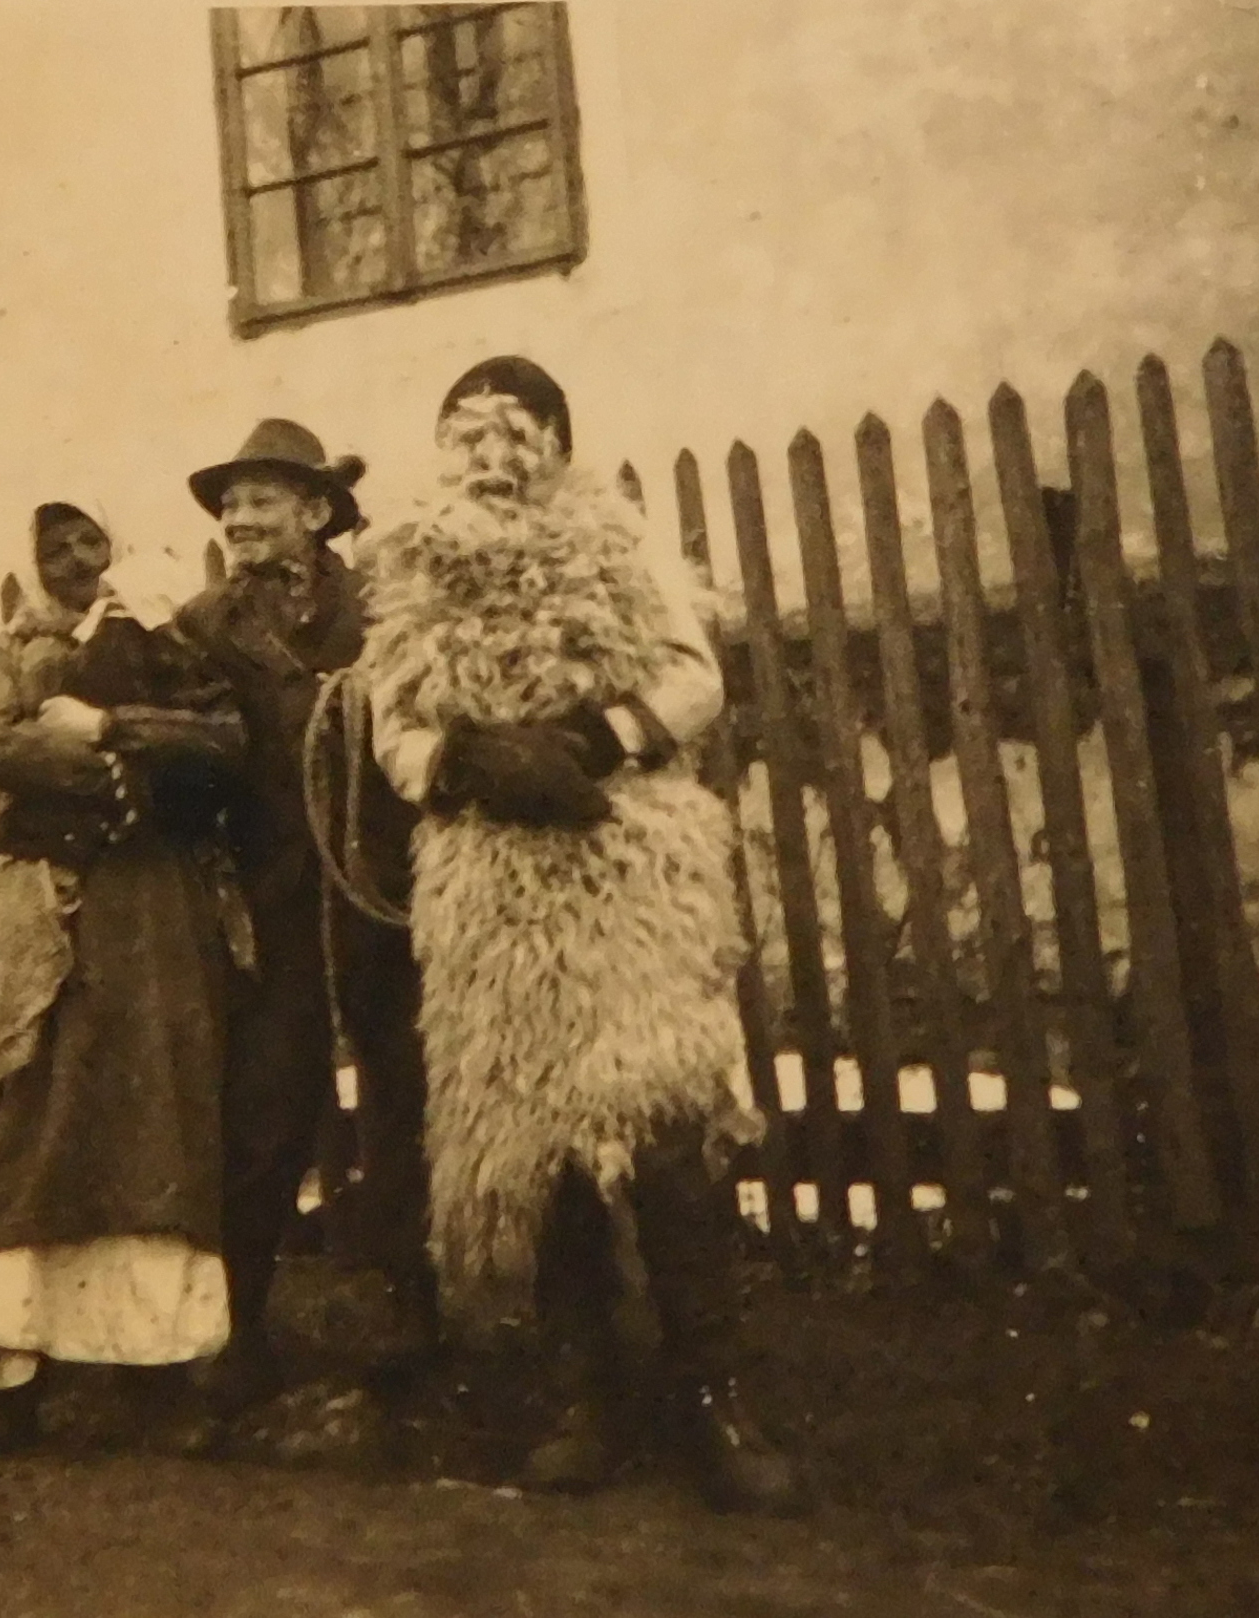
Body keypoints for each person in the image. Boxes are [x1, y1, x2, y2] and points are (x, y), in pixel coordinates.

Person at [356, 357, 801, 1513]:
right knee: (538, 1141)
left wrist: (596, 741)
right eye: (466, 436)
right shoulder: (412, 569)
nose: (491, 458)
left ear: (556, 442)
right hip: (491, 883)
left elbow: (694, 678)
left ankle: (714, 1395)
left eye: (514, 433)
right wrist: (465, 758)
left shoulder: (619, 541)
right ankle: (584, 1394)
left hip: (623, 864)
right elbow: (392, 729)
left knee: (664, 1126)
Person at [0, 500, 250, 1455]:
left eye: (88, 540)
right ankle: (0, 1377)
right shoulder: (15, 647)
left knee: (148, 1114)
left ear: (117, 547)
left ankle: (157, 1371)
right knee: (16, 1111)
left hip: (148, 912)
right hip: (41, 902)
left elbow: (220, 744)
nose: (72, 559)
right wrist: (108, 770)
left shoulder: (168, 635)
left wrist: (113, 733)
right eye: (52, 546)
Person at [174, 421, 439, 1417]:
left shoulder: (381, 610)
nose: (238, 519)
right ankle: (237, 1330)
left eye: (260, 500)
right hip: (272, 903)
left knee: (403, 1098)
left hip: (380, 895)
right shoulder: (203, 626)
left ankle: (409, 1318)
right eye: (229, 504)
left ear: (317, 512)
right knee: (265, 1110)